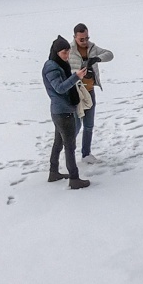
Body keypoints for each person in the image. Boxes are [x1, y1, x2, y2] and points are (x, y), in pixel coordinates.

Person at [43, 36, 90, 189]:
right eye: (64, 52)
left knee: (58, 143)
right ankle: (74, 179)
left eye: (68, 52)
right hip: (62, 112)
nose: (67, 56)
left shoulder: (58, 64)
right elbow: (60, 88)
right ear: (56, 52)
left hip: (61, 111)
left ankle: (54, 172)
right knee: (70, 146)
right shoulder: (52, 67)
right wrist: (76, 77)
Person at [66, 22, 113, 160]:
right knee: (76, 125)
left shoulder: (92, 47)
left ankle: (86, 154)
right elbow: (63, 69)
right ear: (74, 37)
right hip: (76, 93)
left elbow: (110, 54)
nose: (85, 41)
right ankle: (68, 151)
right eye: (81, 39)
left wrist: (97, 58)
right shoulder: (69, 50)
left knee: (89, 125)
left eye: (87, 38)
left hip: (90, 91)